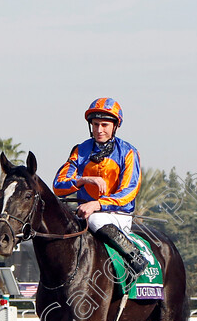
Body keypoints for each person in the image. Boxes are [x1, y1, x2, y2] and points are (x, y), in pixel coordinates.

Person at [53, 97, 148, 276]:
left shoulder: (128, 152)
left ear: (115, 126)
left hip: (115, 215)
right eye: (95, 124)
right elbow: (58, 185)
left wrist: (97, 204)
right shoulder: (80, 150)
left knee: (95, 219)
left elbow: (128, 192)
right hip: (82, 213)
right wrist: (84, 180)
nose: (99, 130)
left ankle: (134, 256)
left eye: (104, 125)